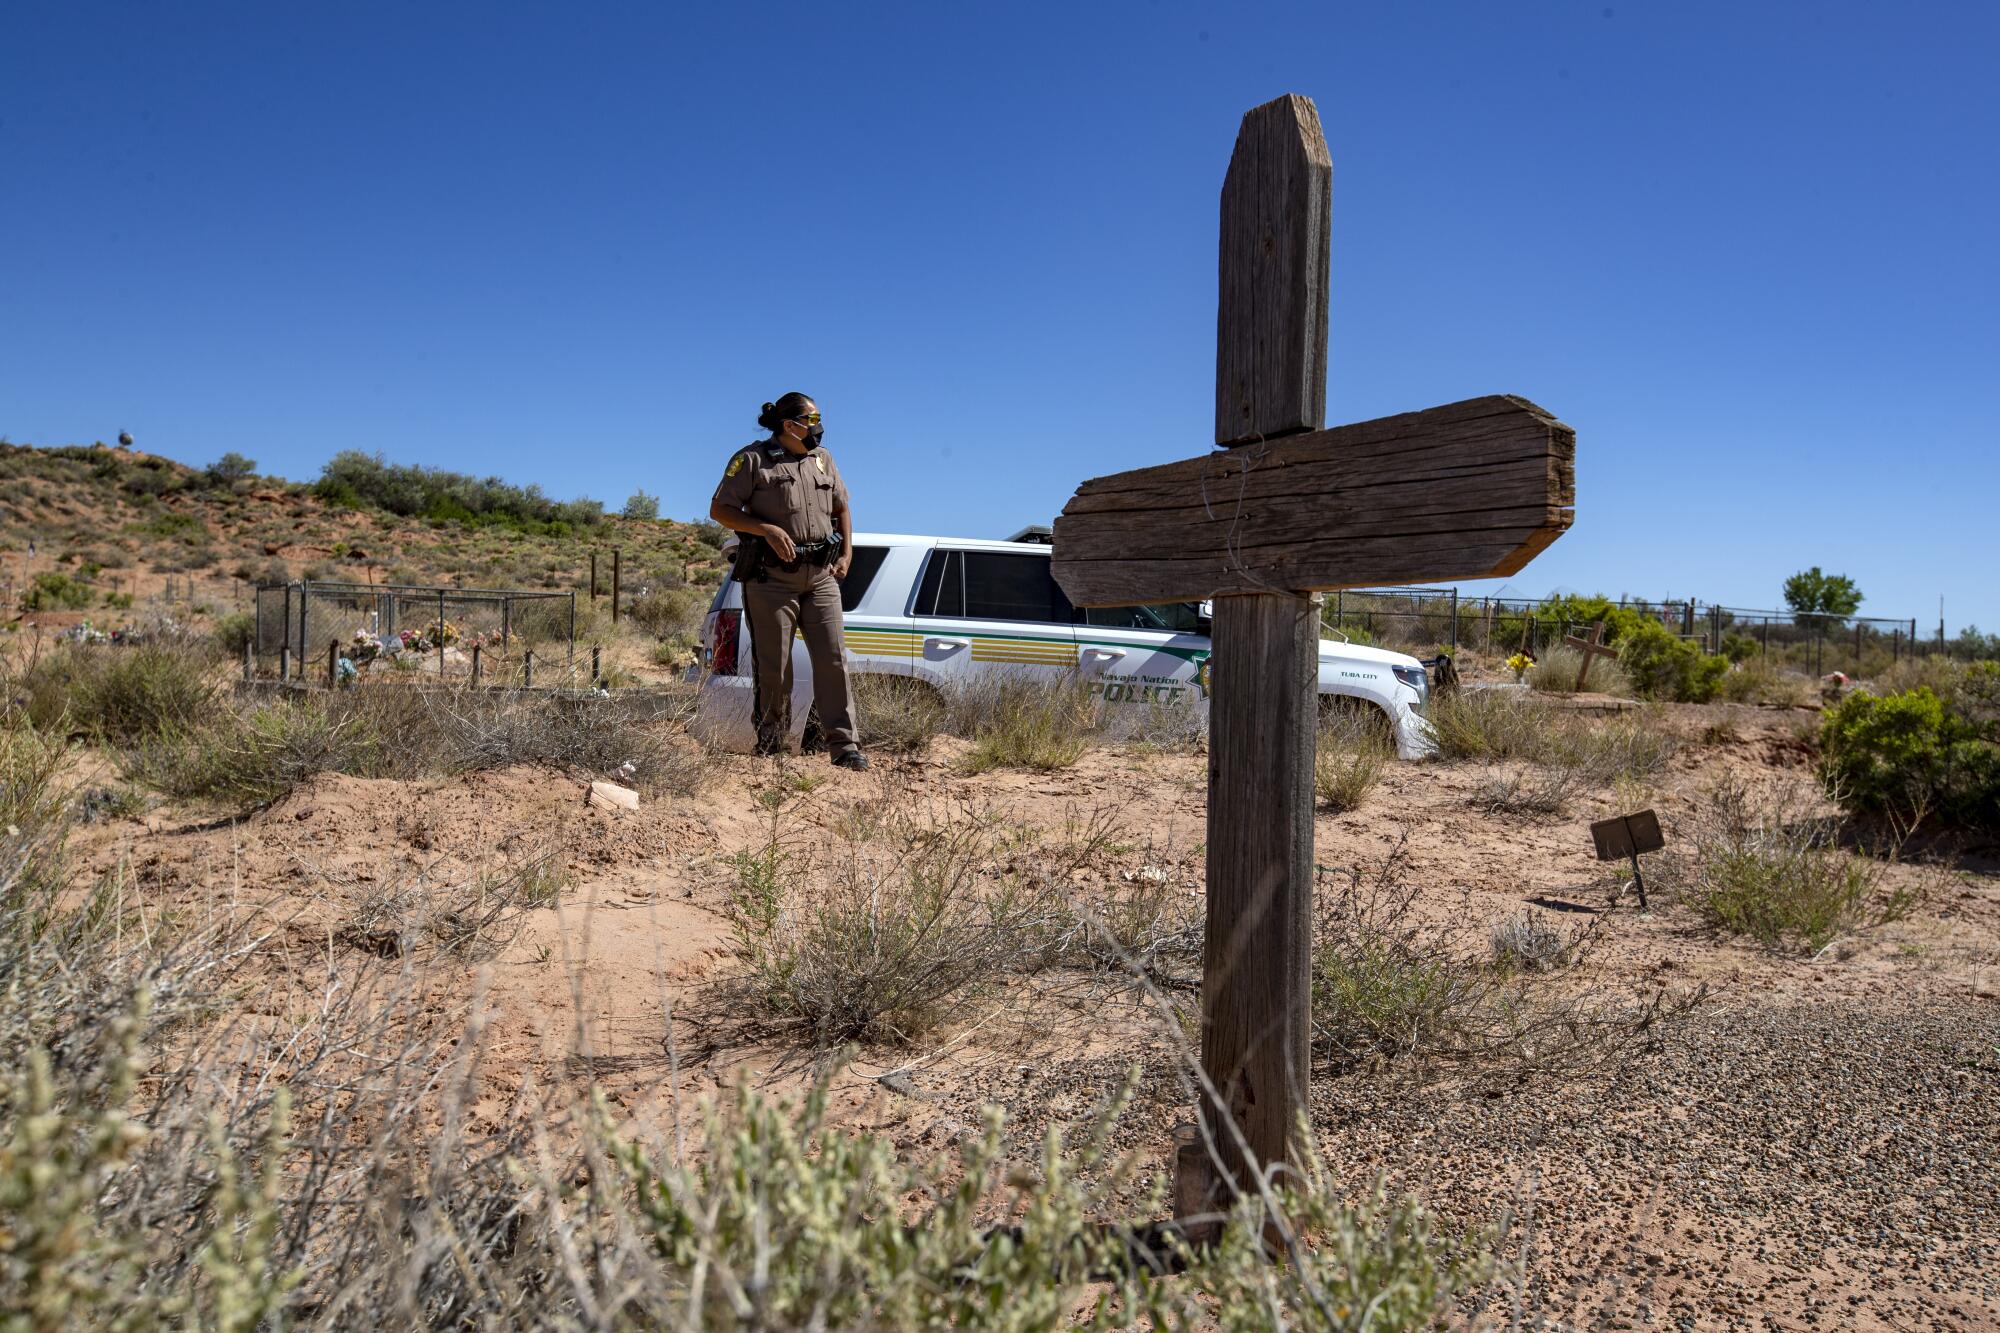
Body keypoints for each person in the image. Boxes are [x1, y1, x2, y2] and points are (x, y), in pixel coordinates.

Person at [708, 392, 868, 770]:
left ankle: (845, 747)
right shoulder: (752, 460)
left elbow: (842, 507)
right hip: (772, 580)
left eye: (818, 419)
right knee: (775, 667)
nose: (818, 427)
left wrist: (847, 554)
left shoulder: (823, 460)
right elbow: (720, 509)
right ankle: (773, 746)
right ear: (788, 425)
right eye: (810, 420)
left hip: (821, 577)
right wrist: (765, 530)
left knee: (833, 661)